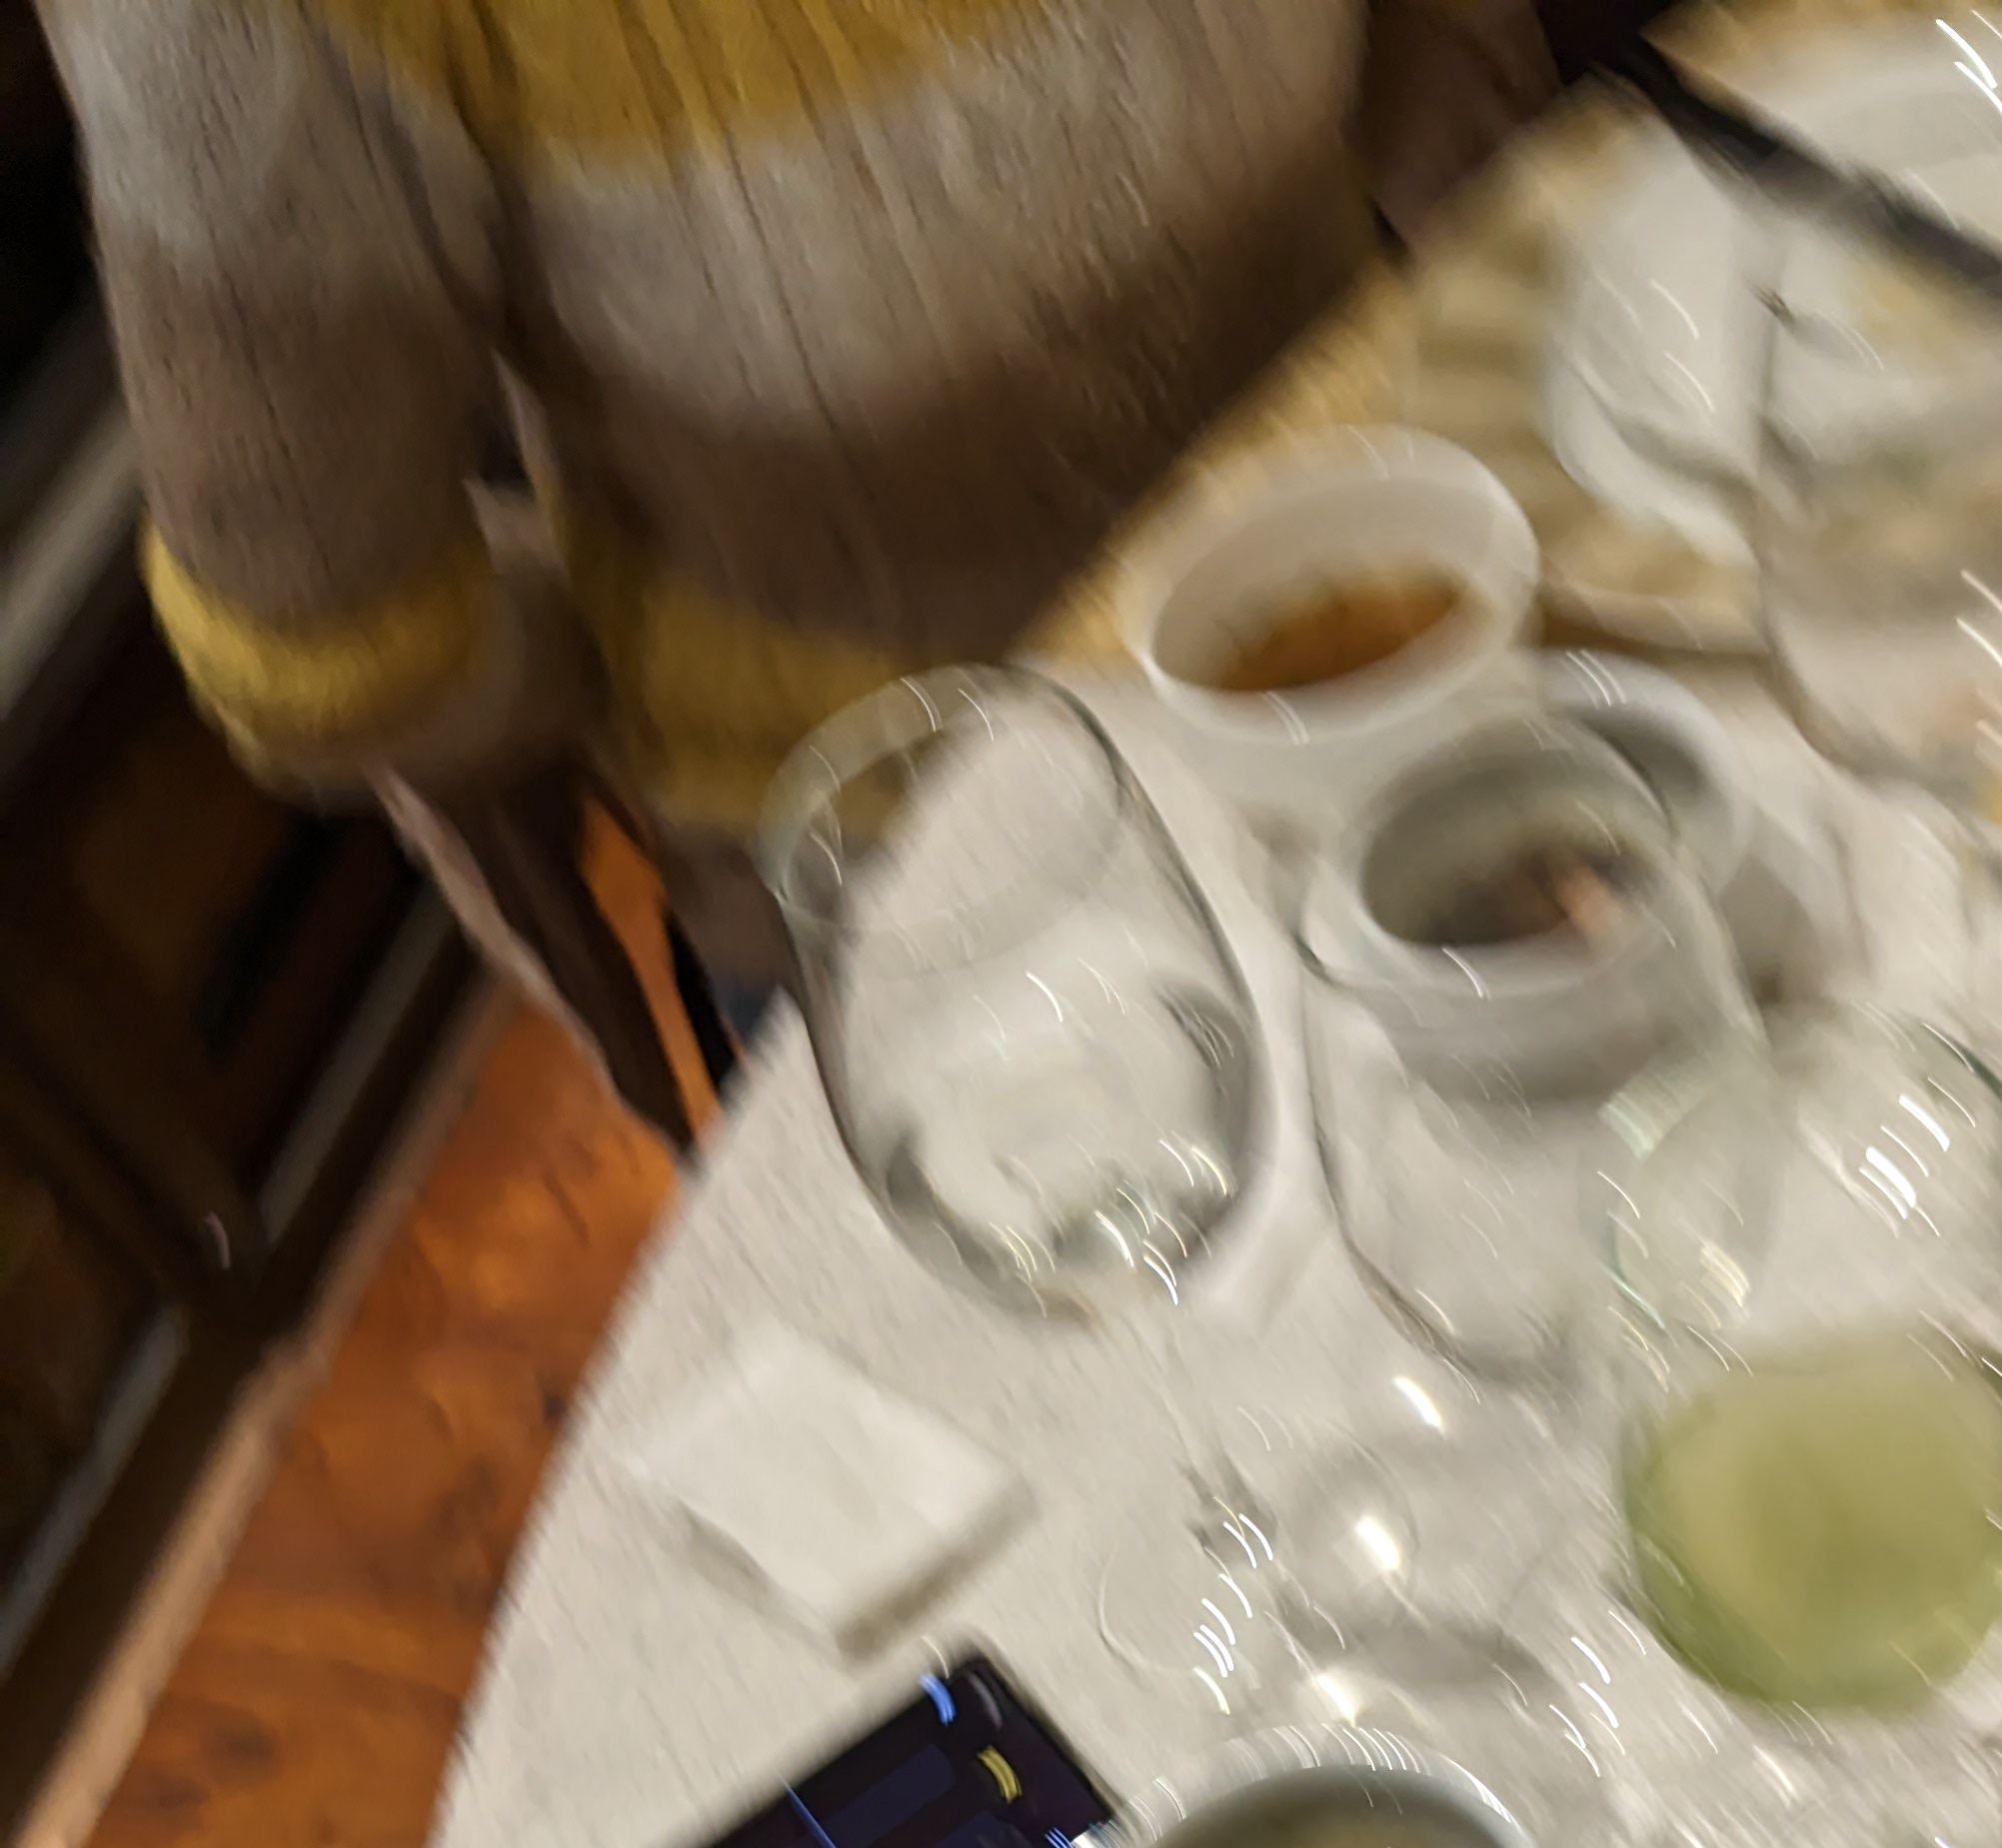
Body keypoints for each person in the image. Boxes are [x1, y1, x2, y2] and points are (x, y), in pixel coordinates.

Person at [41, 0, 1550, 1130]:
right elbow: (328, 647)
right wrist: (640, 650)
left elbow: (1457, 92)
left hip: (1429, 658)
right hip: (962, 927)